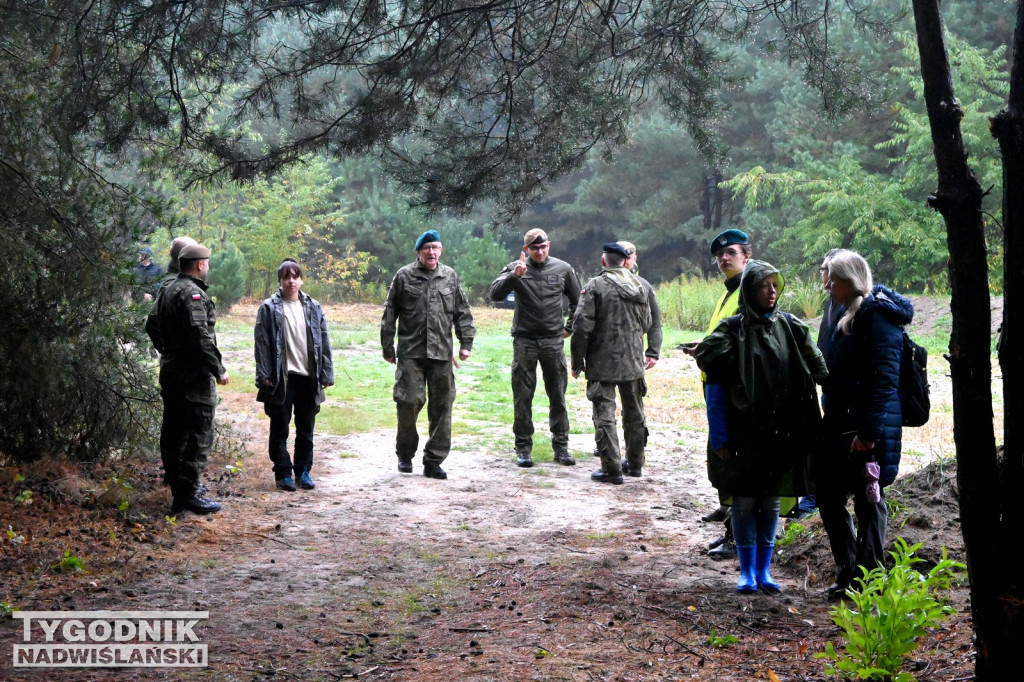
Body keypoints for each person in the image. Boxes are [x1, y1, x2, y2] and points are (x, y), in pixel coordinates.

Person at [695, 261, 828, 593]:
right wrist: (721, 435)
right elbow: (714, 388)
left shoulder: (792, 327)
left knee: (769, 502)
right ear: (750, 290)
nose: (771, 291)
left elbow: (820, 368)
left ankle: (763, 571)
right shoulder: (729, 331)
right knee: (742, 501)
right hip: (742, 435)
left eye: (774, 285)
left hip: (781, 434)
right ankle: (746, 571)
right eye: (763, 285)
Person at [815, 250, 912, 599]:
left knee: (869, 500)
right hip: (840, 423)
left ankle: (868, 578)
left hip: (870, 428)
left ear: (849, 281)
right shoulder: (840, 311)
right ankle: (848, 569)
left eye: (833, 280)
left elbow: (885, 380)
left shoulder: (879, 317)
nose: (827, 286)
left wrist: (868, 434)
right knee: (827, 493)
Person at [381, 230, 476, 480]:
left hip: (441, 354)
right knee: (408, 402)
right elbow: (390, 312)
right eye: (427, 248)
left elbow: (462, 312)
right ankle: (405, 453)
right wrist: (387, 346)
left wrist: (466, 342)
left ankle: (434, 460)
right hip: (411, 353)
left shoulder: (449, 276)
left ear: (441, 250)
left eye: (435, 247)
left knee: (443, 407)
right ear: (419, 251)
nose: (431, 252)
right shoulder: (404, 276)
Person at [683, 228, 751, 558]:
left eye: (731, 254)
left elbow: (745, 342)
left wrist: (708, 352)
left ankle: (739, 537)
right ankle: (730, 524)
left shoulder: (749, 291)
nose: (724, 259)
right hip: (717, 386)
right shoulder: (729, 292)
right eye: (719, 256)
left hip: (735, 391)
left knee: (734, 461)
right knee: (722, 458)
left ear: (746, 256)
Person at [145, 243, 228, 514]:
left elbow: (151, 324)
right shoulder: (192, 294)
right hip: (193, 378)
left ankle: (180, 489)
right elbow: (200, 337)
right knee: (199, 434)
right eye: (207, 263)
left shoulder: (167, 289)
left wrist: (169, 351)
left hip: (171, 373)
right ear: (200, 265)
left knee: (173, 431)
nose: (208, 266)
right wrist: (218, 368)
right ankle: (188, 494)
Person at [488, 228, 581, 467]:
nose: (540, 252)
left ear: (549, 246)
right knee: (522, 396)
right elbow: (494, 295)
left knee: (558, 396)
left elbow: (578, 301)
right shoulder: (515, 267)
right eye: (535, 248)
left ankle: (561, 447)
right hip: (525, 341)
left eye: (544, 247)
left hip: (552, 341)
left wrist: (569, 327)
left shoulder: (563, 268)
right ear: (526, 249)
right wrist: (514, 276)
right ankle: (523, 449)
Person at [570, 242, 652, 484]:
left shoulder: (596, 286)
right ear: (625, 261)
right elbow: (647, 324)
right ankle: (635, 464)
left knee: (604, 414)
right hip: (633, 362)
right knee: (635, 414)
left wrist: (577, 360)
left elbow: (581, 327)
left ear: (604, 261)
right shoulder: (640, 286)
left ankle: (612, 469)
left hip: (602, 362)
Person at [254, 259, 335, 491]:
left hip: (308, 377)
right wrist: (264, 374)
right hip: (281, 377)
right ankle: (283, 473)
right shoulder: (269, 308)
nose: (291, 281)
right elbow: (261, 343)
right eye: (286, 277)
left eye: (295, 276)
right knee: (280, 427)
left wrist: (326, 372)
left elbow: (324, 341)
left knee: (306, 428)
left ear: (301, 279)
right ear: (280, 280)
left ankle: (303, 471)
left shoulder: (313, 306)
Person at [793, 247, 851, 518]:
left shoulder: (850, 304)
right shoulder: (831, 302)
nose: (825, 279)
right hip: (830, 390)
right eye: (824, 272)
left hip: (845, 395)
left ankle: (816, 499)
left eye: (828, 272)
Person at [616, 240, 662, 476]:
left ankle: (634, 458)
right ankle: (610, 452)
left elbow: (655, 322)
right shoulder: (601, 283)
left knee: (633, 410)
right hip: (606, 358)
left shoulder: (643, 286)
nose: (625, 261)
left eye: (629, 256)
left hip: (633, 357)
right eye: (621, 256)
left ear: (634, 259)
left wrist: (653, 351)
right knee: (604, 408)